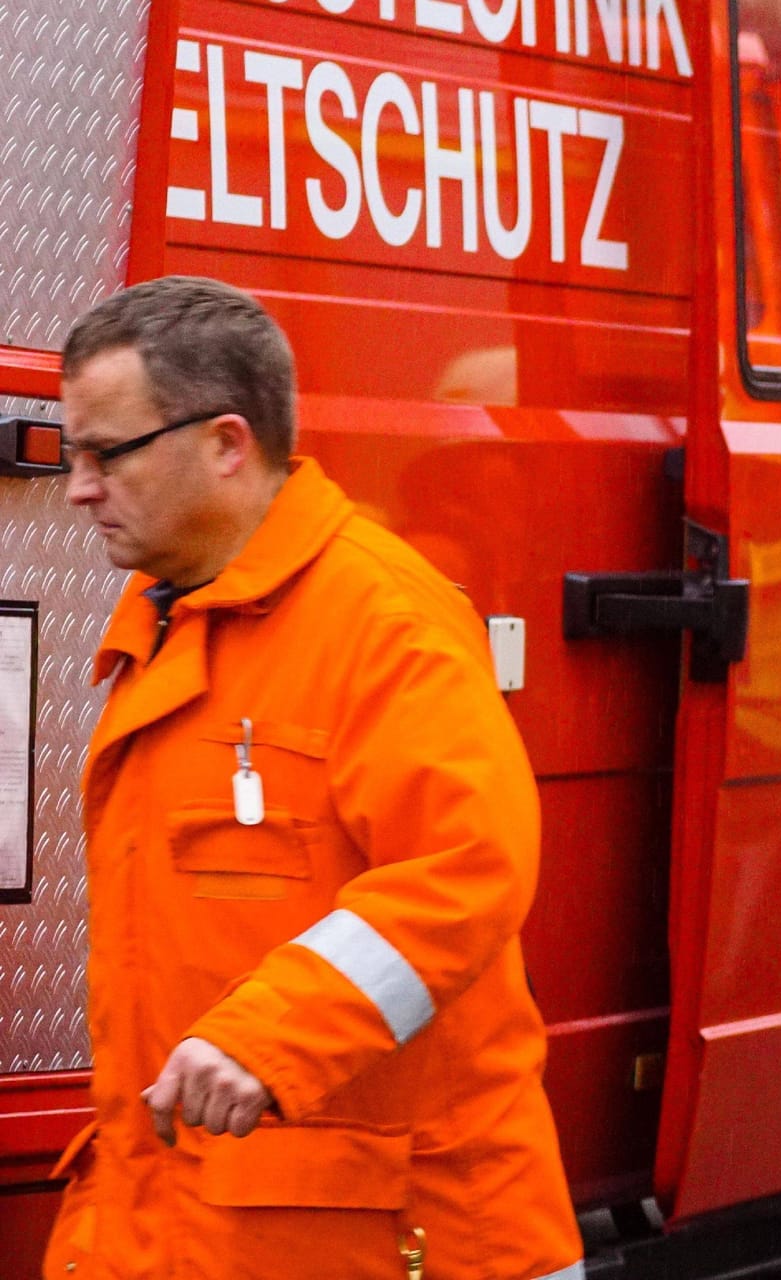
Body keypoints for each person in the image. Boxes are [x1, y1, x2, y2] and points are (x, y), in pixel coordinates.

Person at [43, 277, 583, 1279]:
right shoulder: (169, 623)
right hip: (215, 1223)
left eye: (106, 453)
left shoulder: (384, 624)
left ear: (227, 443)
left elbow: (464, 870)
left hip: (402, 1235)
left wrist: (268, 1035)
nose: (78, 486)